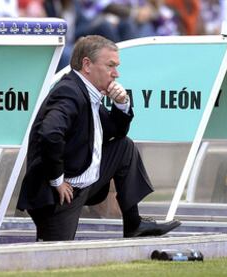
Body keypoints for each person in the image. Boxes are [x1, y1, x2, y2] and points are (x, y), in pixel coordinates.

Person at [17, 35, 181, 241]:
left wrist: (121, 103)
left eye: (117, 66)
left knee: (124, 147)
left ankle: (134, 223)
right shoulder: (69, 90)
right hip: (59, 194)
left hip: (84, 181)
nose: (116, 74)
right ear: (87, 65)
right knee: (56, 259)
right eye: (110, 66)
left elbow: (115, 132)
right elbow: (50, 133)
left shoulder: (88, 91)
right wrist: (57, 180)